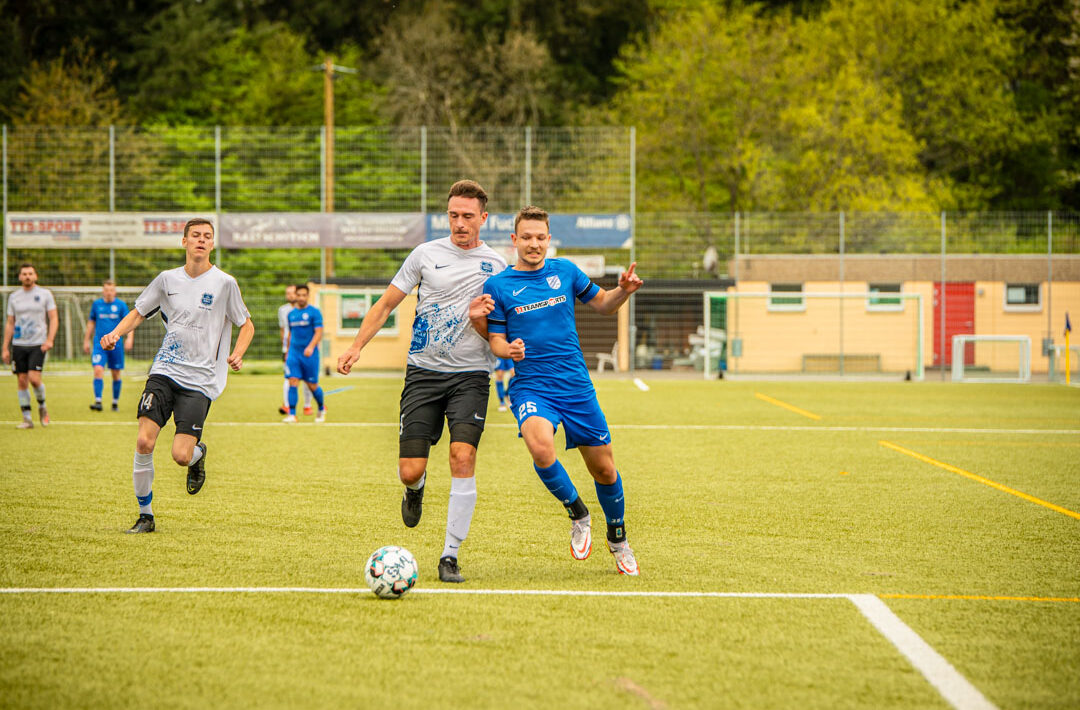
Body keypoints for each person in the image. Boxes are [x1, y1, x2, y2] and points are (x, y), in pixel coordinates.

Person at [337, 179, 507, 583]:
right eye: (453, 215)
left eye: (468, 216)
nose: (460, 223)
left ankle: (450, 555)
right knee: (410, 470)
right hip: (423, 374)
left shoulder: (499, 266)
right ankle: (415, 489)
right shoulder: (425, 254)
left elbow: (501, 328)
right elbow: (385, 304)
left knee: (462, 457)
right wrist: (356, 346)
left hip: (471, 376)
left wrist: (486, 326)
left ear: (483, 218)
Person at [474, 205, 643, 575]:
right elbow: (496, 340)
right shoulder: (498, 286)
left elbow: (604, 305)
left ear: (549, 240)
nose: (534, 244)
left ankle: (618, 540)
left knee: (604, 470)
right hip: (532, 385)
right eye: (527, 237)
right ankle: (578, 513)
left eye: (540, 237)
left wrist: (623, 291)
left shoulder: (565, 270)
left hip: (576, 385)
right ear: (514, 240)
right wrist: (508, 349)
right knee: (539, 446)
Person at [100, 218, 254, 534]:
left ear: (213, 244)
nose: (201, 240)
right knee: (144, 441)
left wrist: (237, 353)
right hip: (164, 371)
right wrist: (115, 333)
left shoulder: (225, 283)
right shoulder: (166, 279)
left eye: (207, 236)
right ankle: (145, 516)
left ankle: (198, 455)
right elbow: (139, 312)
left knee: (181, 456)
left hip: (200, 381)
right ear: (184, 241)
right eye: (195, 235)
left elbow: (246, 324)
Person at [2, 263, 58, 429]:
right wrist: (5, 347)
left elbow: (53, 318)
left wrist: (50, 339)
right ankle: (26, 418)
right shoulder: (14, 297)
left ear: (35, 276)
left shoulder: (45, 294)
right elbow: (10, 322)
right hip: (19, 344)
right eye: (24, 274)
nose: (27, 276)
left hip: (38, 344)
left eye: (30, 273)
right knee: (21, 380)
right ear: (20, 277)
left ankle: (42, 405)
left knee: (34, 379)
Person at [83, 280, 133, 411]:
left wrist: (129, 338)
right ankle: (98, 401)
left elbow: (129, 322)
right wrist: (86, 340)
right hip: (99, 345)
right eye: (106, 290)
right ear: (103, 291)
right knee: (98, 370)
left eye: (111, 290)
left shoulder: (121, 305)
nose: (109, 292)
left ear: (115, 292)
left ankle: (115, 402)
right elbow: (91, 323)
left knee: (115, 373)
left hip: (116, 345)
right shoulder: (97, 304)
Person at [282, 283, 326, 423]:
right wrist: (287, 351)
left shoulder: (314, 312)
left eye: (304, 295)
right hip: (294, 354)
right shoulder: (291, 314)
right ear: (295, 295)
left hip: (310, 355)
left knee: (312, 385)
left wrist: (311, 347)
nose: (301, 298)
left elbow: (319, 332)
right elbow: (290, 334)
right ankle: (292, 414)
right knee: (292, 380)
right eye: (299, 295)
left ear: (308, 296)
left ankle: (321, 408)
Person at [277, 285, 313, 415]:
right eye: (288, 293)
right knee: (289, 377)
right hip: (289, 349)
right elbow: (283, 329)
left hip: (305, 349)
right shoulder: (282, 310)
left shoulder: (309, 311)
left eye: (292, 293)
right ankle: (287, 405)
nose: (290, 295)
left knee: (307, 378)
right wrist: (285, 347)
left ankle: (307, 405)